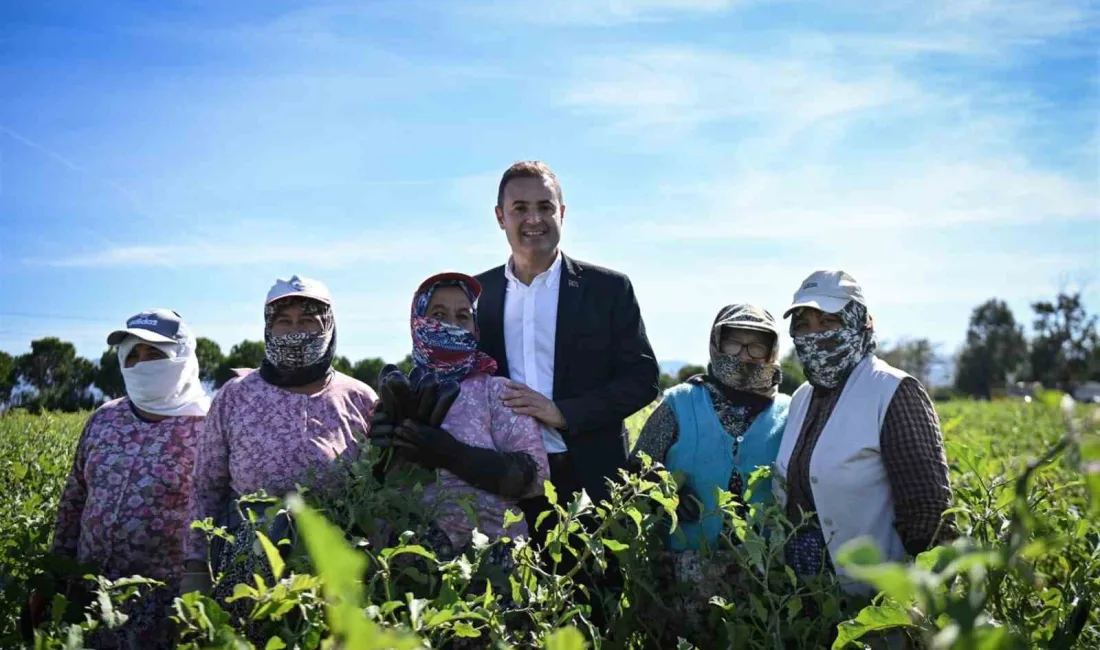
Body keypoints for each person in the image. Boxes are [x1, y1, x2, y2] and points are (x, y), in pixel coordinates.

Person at [474, 160, 660, 544]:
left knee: (596, 598)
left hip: (589, 483)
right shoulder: (475, 294)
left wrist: (564, 413)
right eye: (520, 208)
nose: (534, 219)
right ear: (499, 217)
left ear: (562, 211)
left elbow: (642, 380)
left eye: (545, 206)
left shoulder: (608, 289)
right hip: (504, 482)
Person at [182, 275, 377, 605]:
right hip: (248, 572)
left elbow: (379, 494)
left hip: (334, 576)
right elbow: (206, 488)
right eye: (284, 321)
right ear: (268, 328)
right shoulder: (235, 397)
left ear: (329, 325)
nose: (295, 330)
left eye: (309, 321)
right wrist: (196, 569)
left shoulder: (359, 398)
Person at [37, 309, 210, 649]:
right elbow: (74, 501)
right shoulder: (105, 418)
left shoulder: (208, 427)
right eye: (133, 355)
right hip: (87, 600)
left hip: (165, 609)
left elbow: (219, 517)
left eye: (155, 353)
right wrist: (53, 577)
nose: (141, 363)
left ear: (183, 356)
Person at [774, 270, 952, 589]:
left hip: (872, 596)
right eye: (803, 325)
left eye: (828, 322)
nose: (814, 335)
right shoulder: (803, 397)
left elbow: (928, 516)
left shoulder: (893, 391)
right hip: (800, 596)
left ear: (861, 322)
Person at [632, 304, 790, 641]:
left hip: (764, 572)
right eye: (734, 343)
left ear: (772, 352)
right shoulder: (680, 401)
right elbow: (638, 467)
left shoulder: (790, 411)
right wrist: (665, 489)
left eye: (756, 346)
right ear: (717, 344)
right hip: (681, 568)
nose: (744, 356)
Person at [371, 272, 549, 566]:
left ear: (475, 327)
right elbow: (375, 491)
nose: (452, 325)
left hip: (491, 561)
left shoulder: (497, 392)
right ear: (418, 323)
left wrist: (450, 454)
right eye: (438, 314)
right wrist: (380, 459)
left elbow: (535, 478)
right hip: (410, 563)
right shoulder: (398, 396)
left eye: (463, 316)